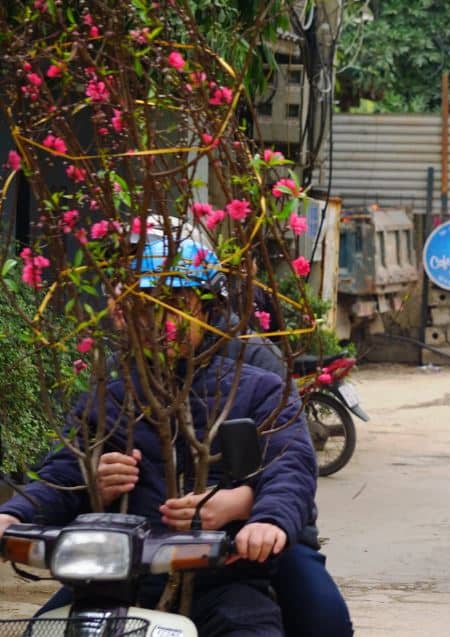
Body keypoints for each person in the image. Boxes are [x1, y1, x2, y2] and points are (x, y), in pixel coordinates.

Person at [0, 236, 321, 636]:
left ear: (205, 309)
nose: (160, 322)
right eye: (147, 308)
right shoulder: (113, 392)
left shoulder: (257, 384)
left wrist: (265, 519)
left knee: (310, 619)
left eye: (175, 305)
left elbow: (290, 466)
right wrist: (16, 514)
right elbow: (63, 470)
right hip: (118, 579)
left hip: (223, 577)